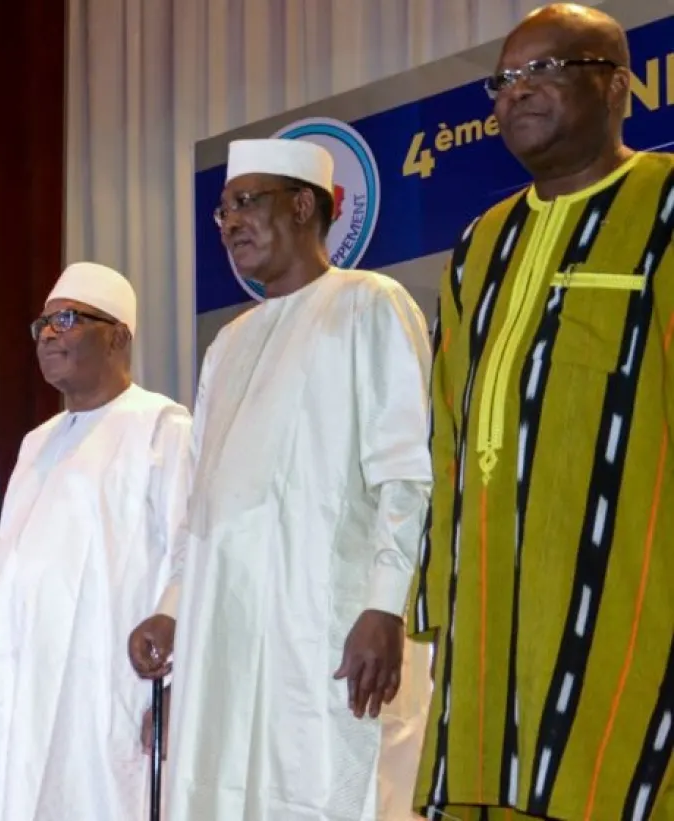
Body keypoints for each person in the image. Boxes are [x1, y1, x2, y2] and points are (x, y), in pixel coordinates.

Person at [410, 5, 674, 819]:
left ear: (617, 84)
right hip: (487, 611)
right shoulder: (480, 241)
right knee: (495, 780)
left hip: (634, 595)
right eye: (504, 80)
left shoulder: (665, 203)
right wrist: (432, 595)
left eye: (545, 70)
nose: (515, 94)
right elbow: (448, 430)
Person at [126, 138, 433, 819]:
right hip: (226, 626)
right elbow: (201, 504)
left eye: (246, 202)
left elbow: (407, 471)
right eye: (223, 210)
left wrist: (387, 605)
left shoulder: (369, 303)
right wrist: (176, 606)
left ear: (303, 206)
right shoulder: (227, 344)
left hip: (329, 623)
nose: (231, 221)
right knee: (222, 789)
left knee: (330, 785)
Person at [0, 263, 193, 820]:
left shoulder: (161, 426)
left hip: (106, 686)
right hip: (16, 690)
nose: (49, 335)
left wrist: (177, 684)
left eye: (66, 319)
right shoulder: (36, 443)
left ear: (119, 337)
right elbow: (4, 568)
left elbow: (190, 552)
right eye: (42, 325)